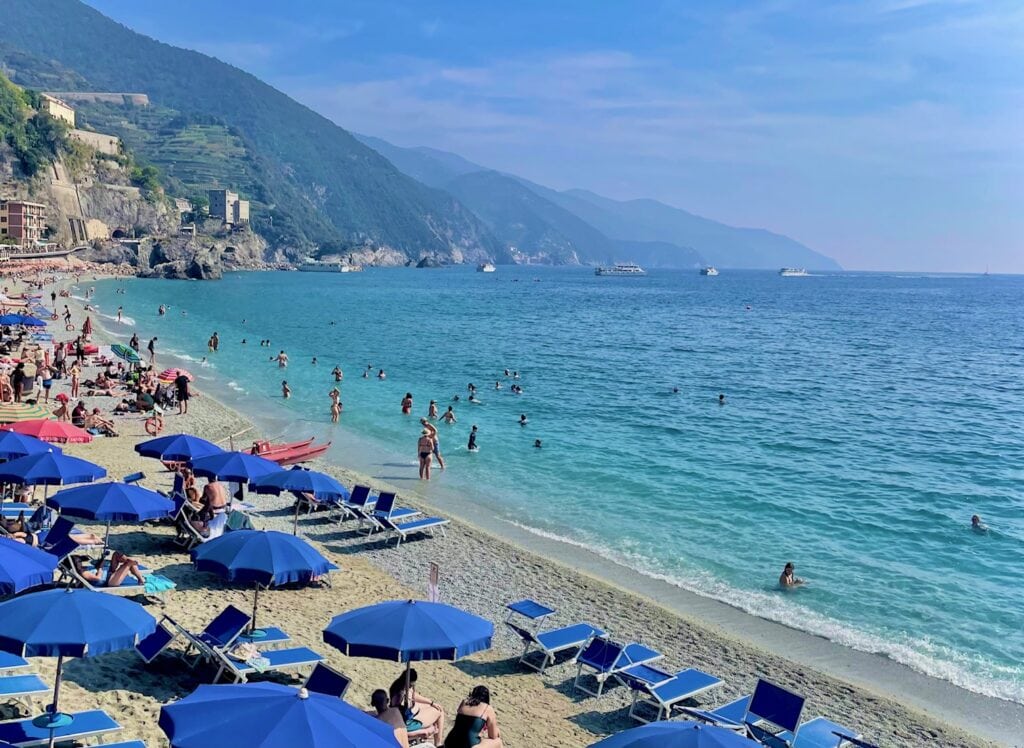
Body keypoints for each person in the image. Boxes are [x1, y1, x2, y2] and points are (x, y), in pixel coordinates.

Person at [390, 670, 445, 747]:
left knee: (435, 706)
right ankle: (438, 743)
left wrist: (431, 702)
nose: (412, 686)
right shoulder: (401, 693)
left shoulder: (398, 684)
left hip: (405, 715)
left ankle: (436, 738)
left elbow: (413, 695)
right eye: (411, 684)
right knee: (439, 710)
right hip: (408, 722)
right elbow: (400, 708)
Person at [73, 551, 146, 587]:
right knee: (129, 563)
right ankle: (140, 579)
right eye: (79, 561)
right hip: (111, 581)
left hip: (109, 574)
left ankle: (129, 562)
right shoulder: (84, 573)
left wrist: (100, 562)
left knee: (116, 554)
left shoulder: (83, 569)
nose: (81, 562)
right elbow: (98, 578)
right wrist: (100, 568)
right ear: (76, 565)